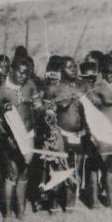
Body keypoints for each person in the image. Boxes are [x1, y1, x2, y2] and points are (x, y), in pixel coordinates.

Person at [0, 56, 41, 219]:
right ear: (11, 70)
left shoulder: (30, 85)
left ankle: (21, 213)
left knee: (25, 173)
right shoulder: (2, 90)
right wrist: (7, 138)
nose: (23, 76)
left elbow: (37, 106)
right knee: (11, 174)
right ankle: (6, 214)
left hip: (29, 135)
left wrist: (47, 109)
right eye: (20, 72)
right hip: (11, 138)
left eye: (27, 73)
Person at [41, 55, 88, 211]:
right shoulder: (52, 88)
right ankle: (53, 206)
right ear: (60, 70)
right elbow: (47, 113)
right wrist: (63, 99)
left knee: (75, 168)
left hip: (79, 135)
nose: (74, 69)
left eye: (75, 66)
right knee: (57, 169)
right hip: (60, 135)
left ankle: (70, 206)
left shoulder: (82, 86)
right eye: (69, 67)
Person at [84, 56, 112, 207]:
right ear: (102, 72)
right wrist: (92, 133)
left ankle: (110, 200)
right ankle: (93, 201)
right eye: (107, 72)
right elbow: (89, 110)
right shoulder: (97, 87)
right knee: (96, 166)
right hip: (102, 132)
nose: (110, 75)